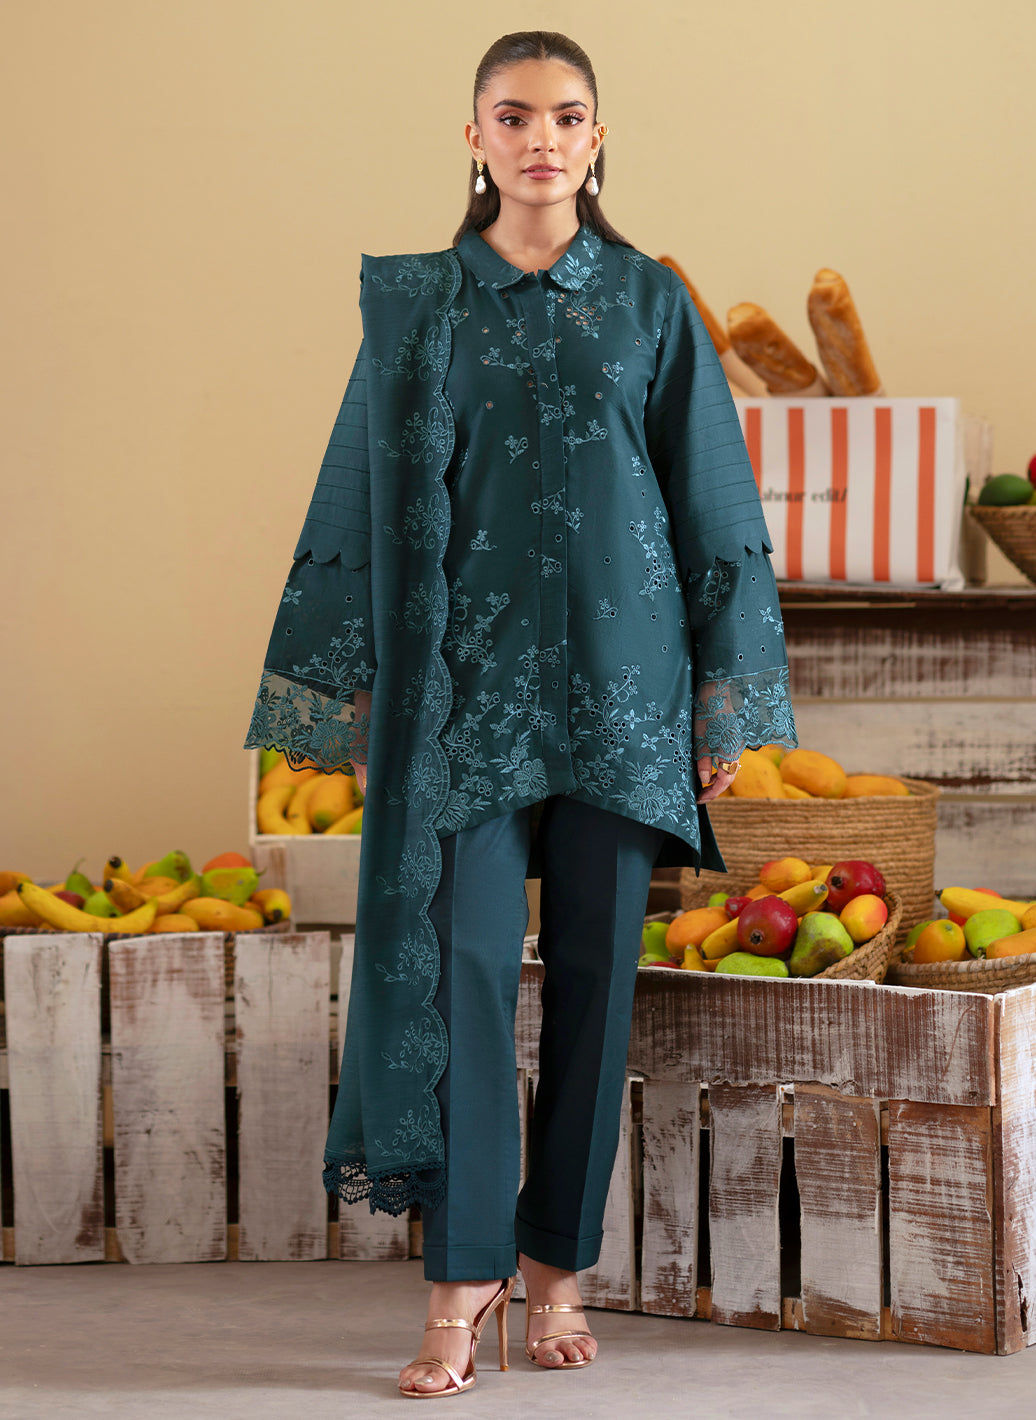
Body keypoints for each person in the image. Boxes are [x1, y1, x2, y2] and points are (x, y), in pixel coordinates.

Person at [245, 29, 797, 1399]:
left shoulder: (650, 301)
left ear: (597, 138)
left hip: (625, 693)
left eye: (565, 115)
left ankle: (556, 1270)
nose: (540, 137)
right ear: (474, 137)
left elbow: (713, 502)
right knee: (467, 979)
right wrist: (357, 697)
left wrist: (721, 702)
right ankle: (462, 1282)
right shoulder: (419, 306)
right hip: (462, 699)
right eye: (512, 115)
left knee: (598, 987)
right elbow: (354, 493)